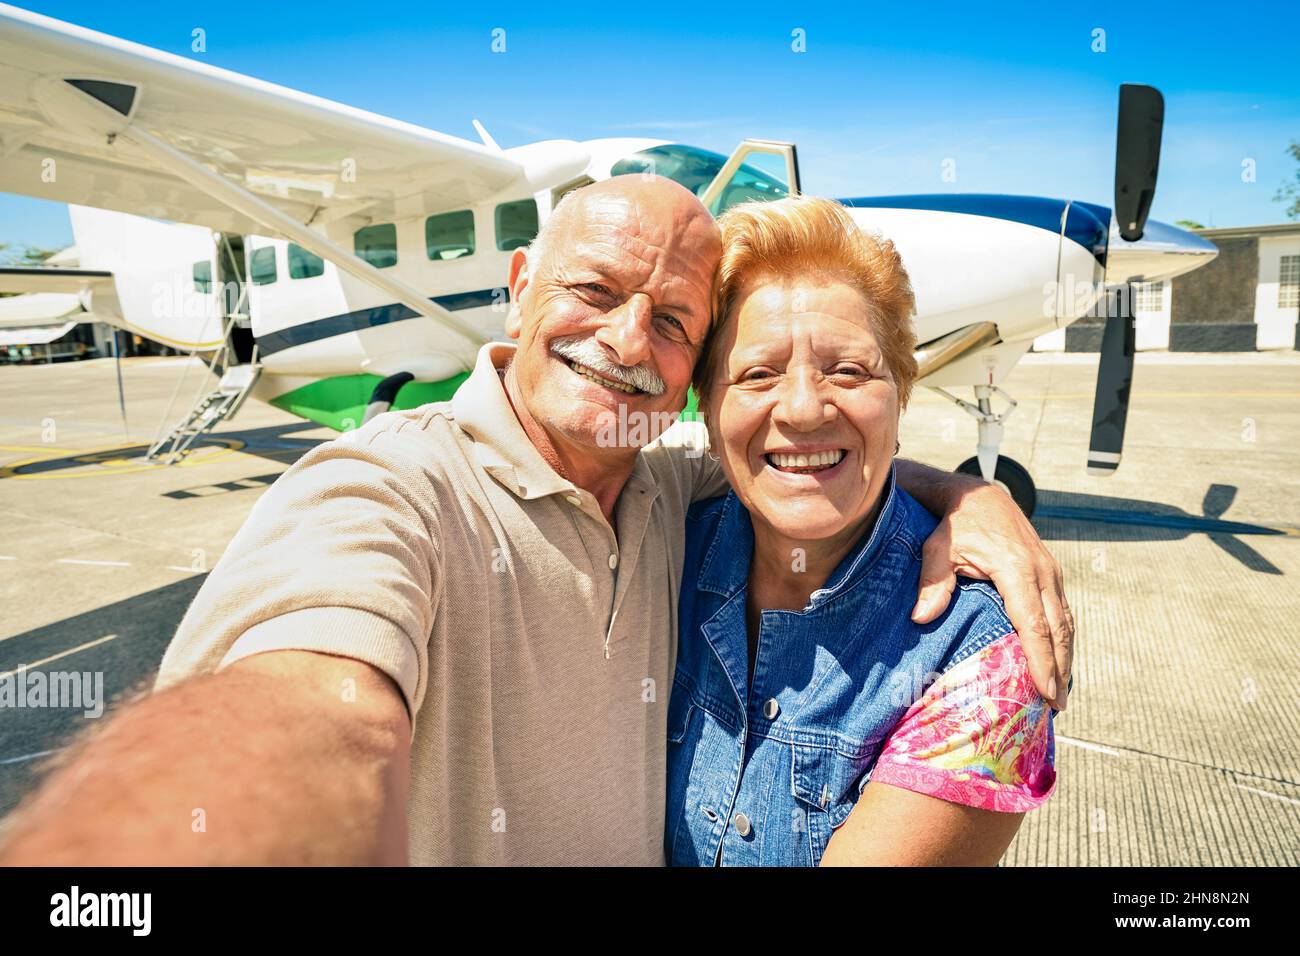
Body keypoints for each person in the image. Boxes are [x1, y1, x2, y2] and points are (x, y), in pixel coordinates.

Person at [0, 177, 1071, 866]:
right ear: (517, 287)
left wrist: (968, 494)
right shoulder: (385, 487)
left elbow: (799, 452)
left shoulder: (675, 502)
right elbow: (322, 704)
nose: (623, 338)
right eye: (591, 288)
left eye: (669, 321)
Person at [667, 196, 1060, 866]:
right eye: (757, 373)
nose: (802, 408)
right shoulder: (660, 544)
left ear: (900, 395)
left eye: (848, 370)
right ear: (706, 409)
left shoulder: (985, 660)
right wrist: (964, 489)